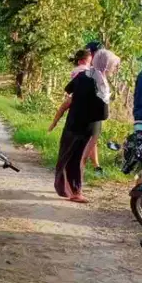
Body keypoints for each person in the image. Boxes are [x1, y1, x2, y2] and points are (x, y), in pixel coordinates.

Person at [49, 54, 110, 203]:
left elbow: (68, 90)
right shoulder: (99, 81)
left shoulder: (84, 76)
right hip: (85, 127)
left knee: (68, 157)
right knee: (77, 159)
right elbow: (104, 114)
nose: (114, 69)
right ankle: (75, 192)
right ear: (106, 66)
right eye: (113, 66)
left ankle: (66, 188)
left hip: (76, 124)